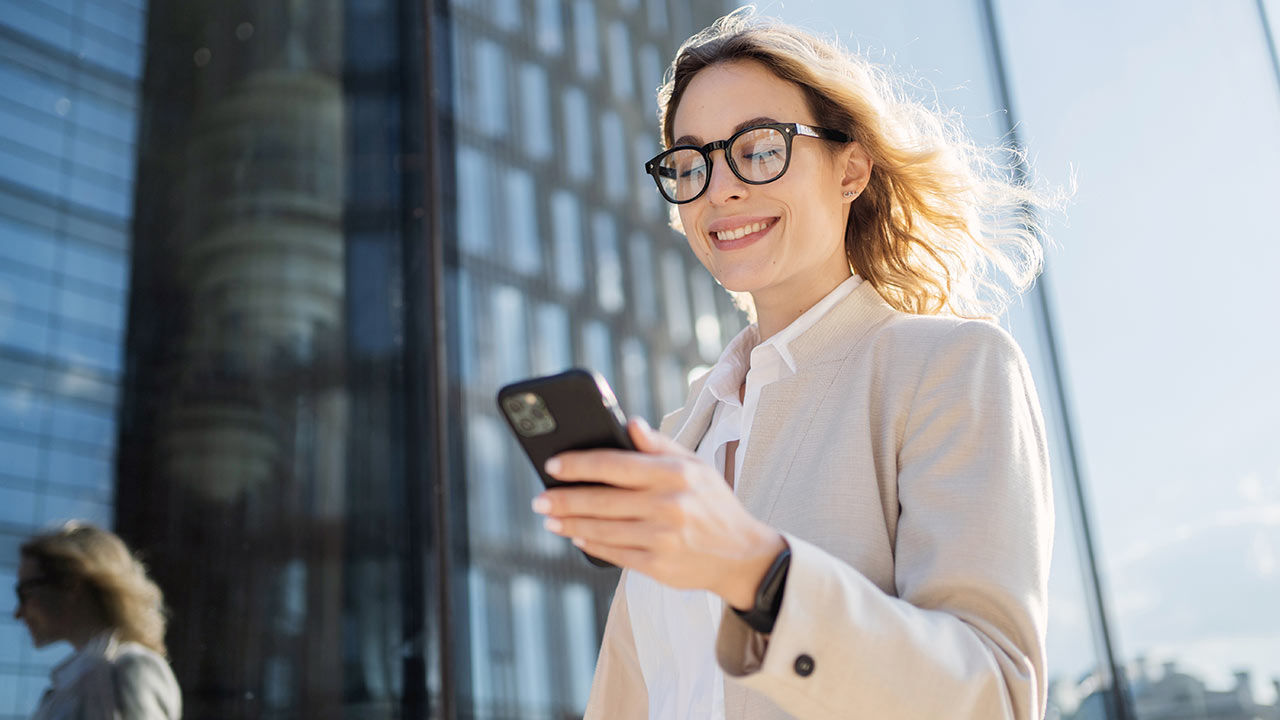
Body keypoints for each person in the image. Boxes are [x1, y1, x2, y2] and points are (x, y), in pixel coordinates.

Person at [530, 9, 1059, 720]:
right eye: (691, 164)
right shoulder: (683, 429)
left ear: (850, 169)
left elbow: (993, 696)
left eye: (758, 150)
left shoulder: (952, 368)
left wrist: (754, 570)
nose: (719, 189)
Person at [14, 522, 182, 720]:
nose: (18, 613)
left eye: (25, 592)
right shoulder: (74, 683)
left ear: (70, 583)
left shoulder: (129, 666)